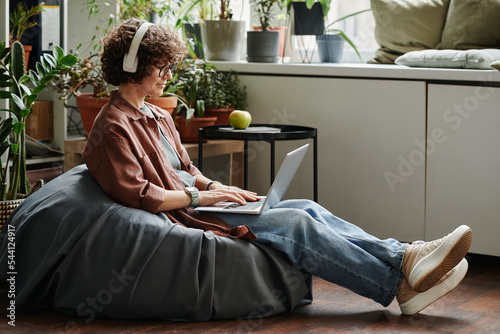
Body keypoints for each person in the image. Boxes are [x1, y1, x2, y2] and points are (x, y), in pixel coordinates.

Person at [83, 18, 472, 316]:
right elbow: (141, 196)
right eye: (162, 67)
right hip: (187, 215)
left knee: (305, 207)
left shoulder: (157, 114)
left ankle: (406, 258)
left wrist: (220, 188)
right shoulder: (112, 125)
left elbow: (186, 167)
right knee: (296, 225)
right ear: (133, 64)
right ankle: (400, 280)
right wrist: (204, 195)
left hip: (204, 201)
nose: (169, 75)